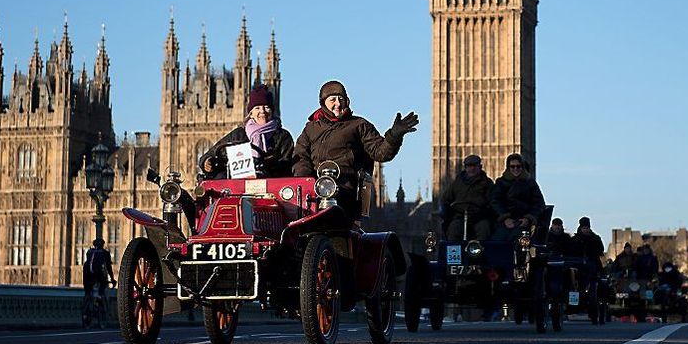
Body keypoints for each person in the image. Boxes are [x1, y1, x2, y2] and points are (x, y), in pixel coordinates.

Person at [292, 80, 418, 218]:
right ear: (323, 103)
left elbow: (381, 152)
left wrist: (394, 135)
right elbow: (300, 158)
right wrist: (305, 182)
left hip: (346, 194)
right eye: (332, 99)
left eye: (341, 99)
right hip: (315, 194)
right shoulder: (311, 129)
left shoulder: (358, 125)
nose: (338, 104)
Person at [199, 85, 295, 179]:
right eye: (257, 108)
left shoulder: (283, 137)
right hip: (238, 187)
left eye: (266, 107)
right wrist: (206, 162)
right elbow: (212, 153)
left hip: (271, 186)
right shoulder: (239, 135)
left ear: (272, 111)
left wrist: (269, 165)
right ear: (251, 114)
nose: (262, 111)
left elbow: (286, 167)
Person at [489, 152, 546, 241]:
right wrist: (505, 218)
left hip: (524, 222)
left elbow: (539, 203)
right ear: (508, 167)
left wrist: (528, 218)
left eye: (518, 166)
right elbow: (494, 201)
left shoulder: (530, 183)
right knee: (496, 243)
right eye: (512, 166)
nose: (515, 169)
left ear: (522, 167)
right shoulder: (501, 182)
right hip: (505, 222)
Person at [440, 154, 494, 241]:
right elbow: (445, 199)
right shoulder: (457, 183)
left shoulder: (487, 183)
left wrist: (485, 211)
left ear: (480, 167)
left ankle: (479, 253)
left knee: (484, 230)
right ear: (465, 168)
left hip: (479, 217)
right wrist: (445, 212)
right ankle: (454, 253)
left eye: (474, 166)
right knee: (453, 230)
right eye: (469, 166)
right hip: (460, 216)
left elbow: (492, 201)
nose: (471, 169)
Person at [82, 238, 115, 328]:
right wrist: (112, 279)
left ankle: (86, 311)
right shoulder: (105, 253)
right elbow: (108, 267)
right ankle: (99, 297)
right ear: (103, 245)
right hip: (98, 273)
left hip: (87, 274)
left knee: (88, 292)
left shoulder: (89, 252)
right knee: (103, 284)